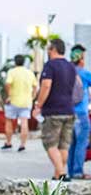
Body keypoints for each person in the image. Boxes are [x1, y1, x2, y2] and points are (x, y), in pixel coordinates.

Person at [36, 38, 80, 181]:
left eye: (49, 49)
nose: (48, 52)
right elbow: (78, 86)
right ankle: (57, 175)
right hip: (69, 110)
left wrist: (39, 105)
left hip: (53, 111)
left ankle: (61, 173)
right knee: (63, 145)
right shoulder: (71, 67)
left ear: (53, 49)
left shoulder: (50, 65)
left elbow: (46, 86)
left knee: (50, 143)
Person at [5, 54, 38, 151]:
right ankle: (22, 145)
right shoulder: (30, 73)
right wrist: (33, 96)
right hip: (27, 101)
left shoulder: (12, 72)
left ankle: (8, 142)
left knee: (9, 121)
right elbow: (35, 86)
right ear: (24, 62)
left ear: (15, 62)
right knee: (24, 122)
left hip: (13, 101)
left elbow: (7, 84)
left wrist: (9, 95)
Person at [71, 45, 91, 180]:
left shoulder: (68, 72)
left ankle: (71, 170)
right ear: (81, 59)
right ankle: (78, 171)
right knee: (81, 142)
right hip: (81, 113)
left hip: (68, 112)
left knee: (71, 143)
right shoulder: (84, 73)